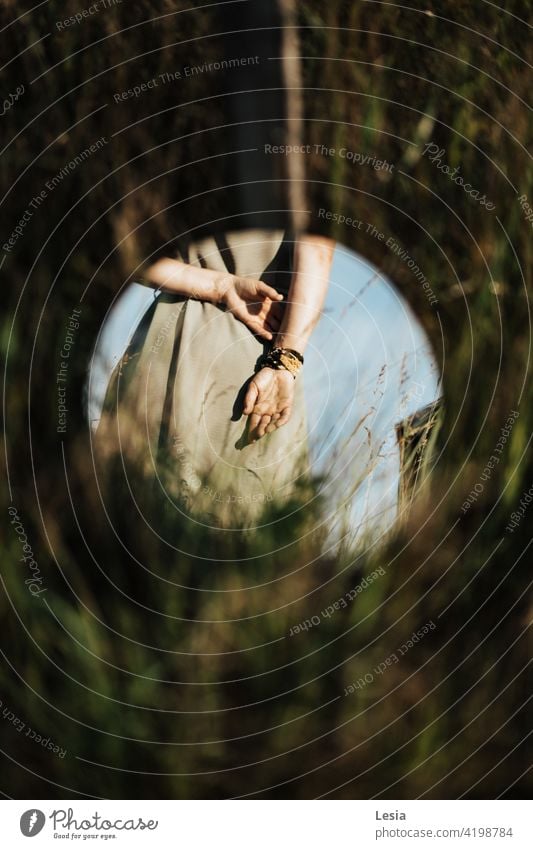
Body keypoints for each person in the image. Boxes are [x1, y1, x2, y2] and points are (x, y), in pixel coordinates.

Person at [95, 229, 334, 524]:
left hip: (163, 341)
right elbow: (317, 250)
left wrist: (219, 285)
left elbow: (116, 250)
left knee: (126, 523)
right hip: (256, 358)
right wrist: (286, 360)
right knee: (243, 540)